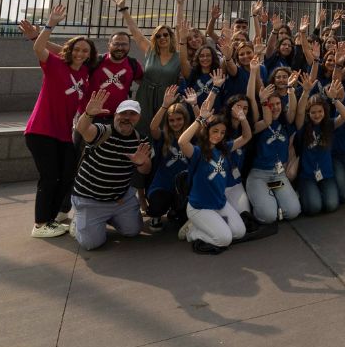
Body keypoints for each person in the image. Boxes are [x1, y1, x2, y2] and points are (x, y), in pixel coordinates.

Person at [22, 4, 95, 238]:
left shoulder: (84, 74)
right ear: (70, 50)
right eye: (77, 49)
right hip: (41, 131)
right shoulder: (54, 64)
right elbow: (39, 47)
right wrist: (49, 24)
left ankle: (52, 218)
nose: (81, 54)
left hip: (63, 134)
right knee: (49, 177)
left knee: (66, 175)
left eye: (85, 51)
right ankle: (41, 223)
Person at [69, 92, 154, 250]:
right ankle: (80, 220)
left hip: (120, 199)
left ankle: (105, 218)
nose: (127, 117)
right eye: (123, 113)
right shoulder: (102, 131)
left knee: (133, 231)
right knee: (91, 244)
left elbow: (145, 170)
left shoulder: (140, 140)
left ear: (138, 118)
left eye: (132, 114)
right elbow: (82, 129)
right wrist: (88, 114)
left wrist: (141, 162)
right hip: (91, 199)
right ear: (115, 114)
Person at [176, 87, 253, 253]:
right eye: (215, 131)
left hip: (219, 204)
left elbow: (246, 137)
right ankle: (193, 231)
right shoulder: (197, 152)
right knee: (224, 239)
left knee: (239, 232)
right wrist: (200, 119)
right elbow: (182, 142)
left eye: (222, 132)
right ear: (207, 131)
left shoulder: (224, 148)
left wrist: (243, 119)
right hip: (200, 207)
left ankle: (208, 224)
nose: (218, 135)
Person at [114, 0, 190, 136]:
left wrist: (180, 5)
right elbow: (135, 32)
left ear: (170, 36)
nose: (162, 38)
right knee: (142, 129)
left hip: (166, 98)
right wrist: (123, 9)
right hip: (145, 96)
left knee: (163, 131)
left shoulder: (179, 54)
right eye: (158, 35)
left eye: (166, 34)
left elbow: (180, 31)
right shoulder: (150, 51)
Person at [246, 77, 301, 223]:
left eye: (278, 104)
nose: (275, 107)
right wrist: (263, 100)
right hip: (259, 176)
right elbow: (251, 98)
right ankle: (262, 201)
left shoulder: (285, 123)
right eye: (271, 105)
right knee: (268, 216)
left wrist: (290, 89)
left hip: (277, 177)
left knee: (294, 211)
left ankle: (273, 200)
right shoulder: (259, 124)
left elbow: (294, 109)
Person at [293, 74, 345, 215]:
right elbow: (299, 112)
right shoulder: (303, 126)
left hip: (326, 174)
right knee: (314, 208)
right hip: (307, 175)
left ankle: (317, 194)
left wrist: (333, 99)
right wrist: (305, 92)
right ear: (308, 113)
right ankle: (303, 193)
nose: (317, 115)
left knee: (331, 205)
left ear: (325, 112)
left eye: (320, 112)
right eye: (313, 112)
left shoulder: (329, 124)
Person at [145, 86, 198, 231]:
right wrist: (164, 106)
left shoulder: (191, 136)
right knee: (157, 204)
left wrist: (194, 105)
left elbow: (202, 126)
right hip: (163, 184)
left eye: (179, 119)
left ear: (185, 119)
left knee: (184, 217)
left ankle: (176, 211)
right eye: (172, 120)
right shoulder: (163, 136)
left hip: (184, 185)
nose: (176, 123)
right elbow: (153, 128)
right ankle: (157, 215)